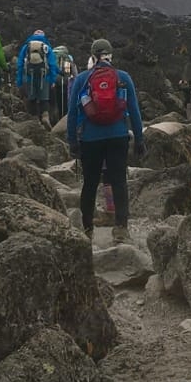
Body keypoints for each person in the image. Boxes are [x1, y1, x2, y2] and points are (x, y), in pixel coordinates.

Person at [68, 39, 145, 243]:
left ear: (93, 56)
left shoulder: (82, 79)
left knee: (90, 183)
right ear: (111, 55)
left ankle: (87, 229)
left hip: (90, 138)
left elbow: (73, 113)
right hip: (118, 135)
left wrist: (72, 142)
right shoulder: (123, 77)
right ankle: (121, 229)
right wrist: (139, 139)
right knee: (119, 181)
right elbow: (134, 111)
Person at [16, 29, 58, 126]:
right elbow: (52, 65)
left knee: (32, 99)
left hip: (29, 77)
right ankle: (45, 116)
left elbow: (20, 64)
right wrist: (52, 80)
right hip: (45, 78)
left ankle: (34, 121)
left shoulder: (26, 47)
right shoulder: (46, 48)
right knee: (44, 99)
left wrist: (19, 81)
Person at [51, 44, 77, 123]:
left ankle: (55, 122)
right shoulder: (68, 58)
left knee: (55, 104)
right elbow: (73, 73)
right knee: (65, 104)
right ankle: (64, 121)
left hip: (55, 83)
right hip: (66, 83)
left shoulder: (52, 57)